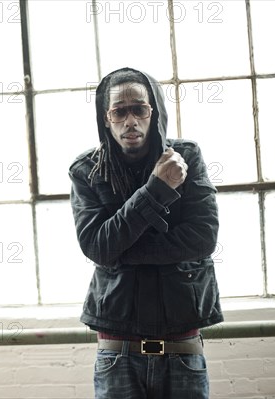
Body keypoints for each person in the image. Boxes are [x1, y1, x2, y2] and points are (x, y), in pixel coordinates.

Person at [69, 67, 223, 398]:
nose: (131, 121)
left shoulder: (186, 158)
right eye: (119, 111)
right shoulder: (87, 171)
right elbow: (97, 246)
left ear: (153, 112)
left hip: (182, 342)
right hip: (117, 348)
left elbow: (202, 238)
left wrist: (121, 251)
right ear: (106, 118)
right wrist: (156, 190)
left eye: (139, 109)